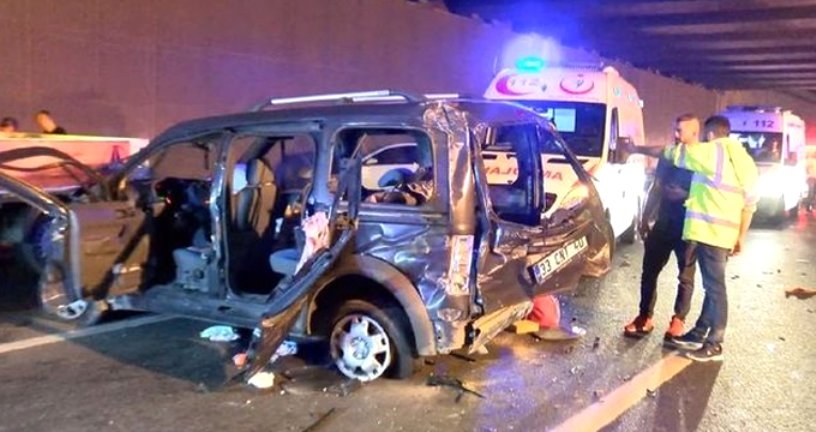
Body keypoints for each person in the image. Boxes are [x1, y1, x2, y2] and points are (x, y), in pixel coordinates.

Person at [622, 115, 759, 362]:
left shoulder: (709, 153)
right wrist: (740, 235)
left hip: (706, 230)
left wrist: (635, 148)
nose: (676, 135)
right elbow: (750, 202)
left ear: (706, 134)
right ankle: (696, 332)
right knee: (708, 286)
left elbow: (669, 153)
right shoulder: (743, 160)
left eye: (680, 131)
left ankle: (712, 341)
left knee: (710, 287)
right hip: (706, 231)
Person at [623, 114, 697, 341]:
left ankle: (678, 320)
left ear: (695, 133)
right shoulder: (669, 156)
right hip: (664, 222)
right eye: (675, 130)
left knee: (685, 276)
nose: (676, 135)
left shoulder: (702, 160)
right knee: (649, 271)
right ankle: (644, 317)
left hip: (688, 226)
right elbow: (656, 186)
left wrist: (686, 194)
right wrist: (645, 216)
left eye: (680, 131)